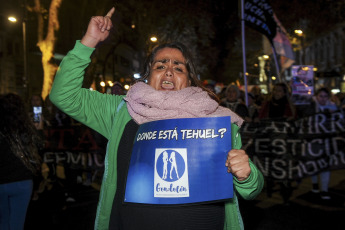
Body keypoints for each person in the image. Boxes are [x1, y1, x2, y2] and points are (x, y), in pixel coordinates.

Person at [49, 7, 263, 230]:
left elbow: (253, 190)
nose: (169, 71)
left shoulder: (217, 121)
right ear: (148, 76)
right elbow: (63, 95)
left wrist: (246, 175)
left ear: (189, 80)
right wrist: (89, 41)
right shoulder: (122, 110)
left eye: (178, 68)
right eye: (160, 66)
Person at [0, 93, 42, 230]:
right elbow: (39, 152)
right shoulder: (26, 129)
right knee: (17, 224)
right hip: (22, 181)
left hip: (1, 182)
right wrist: (39, 131)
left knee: (3, 222)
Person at [302, 87, 339, 200]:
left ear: (328, 97)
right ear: (317, 96)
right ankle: (315, 186)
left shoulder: (332, 106)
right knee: (314, 164)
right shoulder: (311, 106)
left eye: (325, 96)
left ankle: (324, 189)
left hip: (327, 141)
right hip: (313, 140)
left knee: (325, 165)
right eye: (321, 96)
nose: (323, 99)